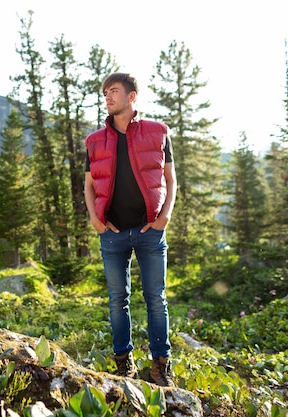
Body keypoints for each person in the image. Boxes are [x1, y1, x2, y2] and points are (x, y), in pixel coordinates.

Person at [84, 72, 177, 387]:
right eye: (105, 93)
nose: (107, 97)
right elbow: (88, 184)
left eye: (113, 91)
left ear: (131, 96)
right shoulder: (94, 140)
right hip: (113, 235)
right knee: (116, 300)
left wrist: (165, 215)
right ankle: (123, 362)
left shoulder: (158, 132)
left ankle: (160, 365)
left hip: (150, 231)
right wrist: (95, 220)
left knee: (156, 298)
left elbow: (170, 179)